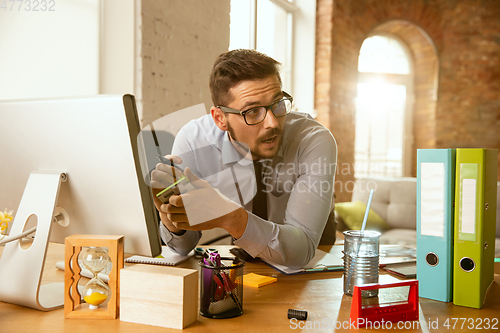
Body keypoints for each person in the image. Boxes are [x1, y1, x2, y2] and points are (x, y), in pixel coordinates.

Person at [151, 49, 337, 269]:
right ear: (220, 118)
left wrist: (229, 217)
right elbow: (183, 247)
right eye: (253, 111)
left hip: (314, 262)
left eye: (277, 103)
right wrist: (173, 223)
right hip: (245, 261)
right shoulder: (194, 141)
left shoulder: (313, 140)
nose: (273, 123)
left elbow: (301, 251)